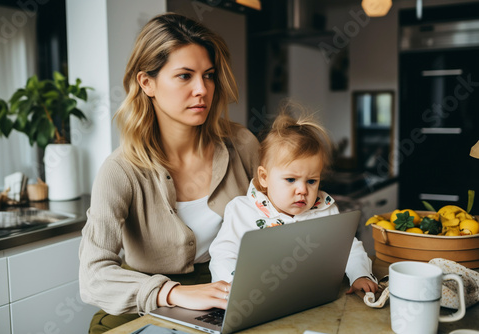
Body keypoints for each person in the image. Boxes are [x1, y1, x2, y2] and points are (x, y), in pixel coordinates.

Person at [78, 13, 259, 333]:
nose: (202, 89)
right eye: (185, 76)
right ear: (146, 82)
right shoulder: (120, 170)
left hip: (230, 293)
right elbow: (93, 276)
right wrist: (172, 293)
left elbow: (281, 216)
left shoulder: (241, 145)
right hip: (144, 302)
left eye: (209, 75)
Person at [209, 106, 379, 294]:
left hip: (310, 298)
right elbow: (223, 255)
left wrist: (360, 275)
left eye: (312, 181)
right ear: (264, 177)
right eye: (291, 179)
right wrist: (233, 287)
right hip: (254, 298)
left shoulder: (325, 210)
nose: (302, 190)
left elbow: (348, 247)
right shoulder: (241, 210)